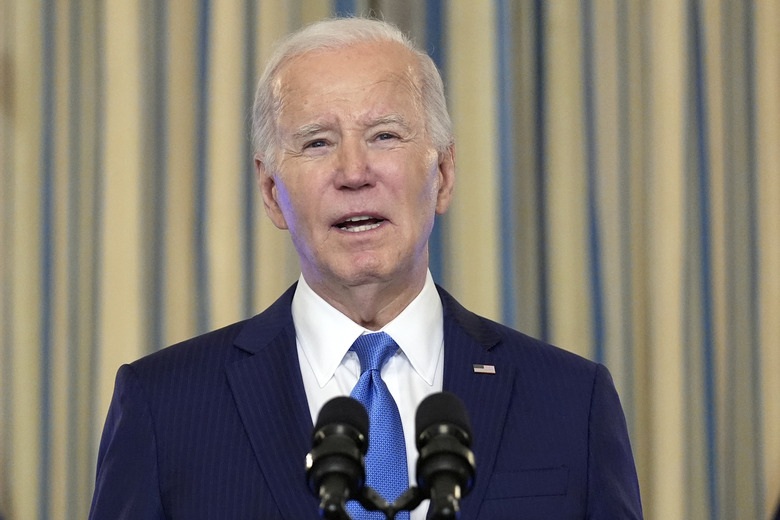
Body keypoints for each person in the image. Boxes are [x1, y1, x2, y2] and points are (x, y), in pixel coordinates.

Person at [89, 17, 643, 520]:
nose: (353, 172)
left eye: (384, 135)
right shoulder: (163, 407)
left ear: (444, 173)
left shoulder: (571, 401)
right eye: (317, 142)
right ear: (271, 193)